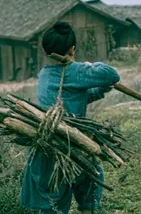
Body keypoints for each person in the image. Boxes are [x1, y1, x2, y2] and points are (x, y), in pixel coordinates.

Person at [20, 21, 120, 214]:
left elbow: (72, 98)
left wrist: (99, 91)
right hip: (71, 143)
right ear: (72, 49)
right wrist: (90, 65)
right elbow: (112, 74)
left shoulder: (45, 74)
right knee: (89, 189)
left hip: (49, 146)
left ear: (45, 50)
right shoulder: (74, 70)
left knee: (53, 205)